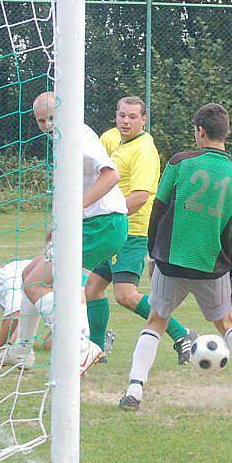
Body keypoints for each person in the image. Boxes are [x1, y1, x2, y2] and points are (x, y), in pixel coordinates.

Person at [118, 103, 232, 412]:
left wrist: (153, 255)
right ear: (226, 133)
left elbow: (159, 210)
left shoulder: (179, 163)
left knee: (156, 322)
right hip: (211, 267)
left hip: (171, 262)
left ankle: (133, 392)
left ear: (200, 131)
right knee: (227, 323)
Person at [0, 92, 129, 374]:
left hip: (101, 223)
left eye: (52, 117)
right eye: (41, 120)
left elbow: (111, 175)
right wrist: (56, 225)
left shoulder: (79, 134)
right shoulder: (61, 140)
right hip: (88, 224)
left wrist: (75, 210)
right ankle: (21, 352)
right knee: (29, 276)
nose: (47, 124)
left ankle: (80, 346)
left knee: (42, 282)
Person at [86, 96, 198, 365]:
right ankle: (96, 349)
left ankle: (183, 335)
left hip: (131, 231)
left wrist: (105, 214)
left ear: (144, 120)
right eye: (122, 115)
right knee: (92, 288)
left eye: (133, 117)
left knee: (125, 294)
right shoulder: (112, 139)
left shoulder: (144, 150)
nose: (126, 121)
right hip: (110, 228)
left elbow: (140, 196)